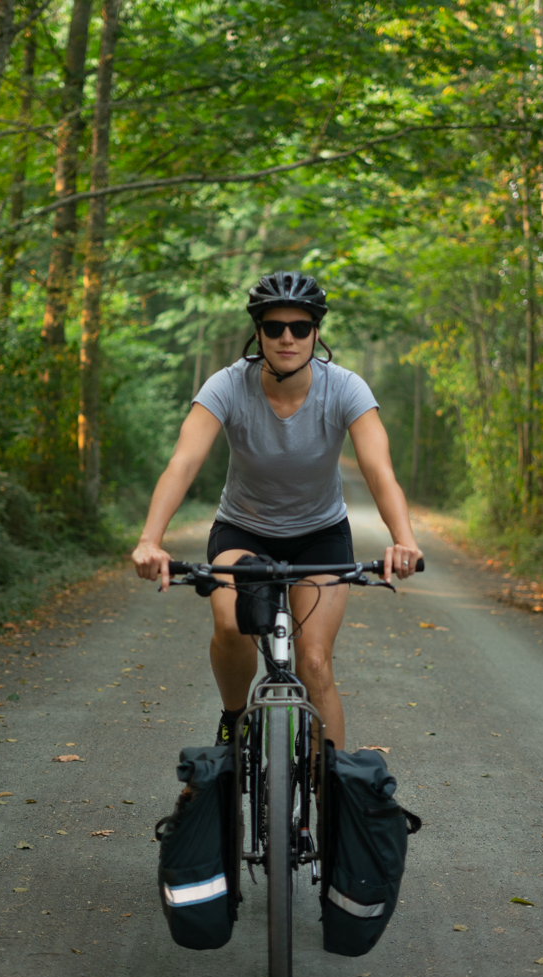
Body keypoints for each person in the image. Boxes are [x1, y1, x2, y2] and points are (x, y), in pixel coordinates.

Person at [131, 270, 423, 748]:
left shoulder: (345, 388)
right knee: (231, 624)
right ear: (258, 332)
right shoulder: (227, 386)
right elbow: (182, 464)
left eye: (300, 327)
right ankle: (232, 717)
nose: (287, 337)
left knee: (313, 663)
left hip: (320, 534)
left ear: (316, 332)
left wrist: (404, 539)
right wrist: (150, 539)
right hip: (243, 531)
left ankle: (330, 805)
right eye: (274, 327)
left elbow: (379, 472)